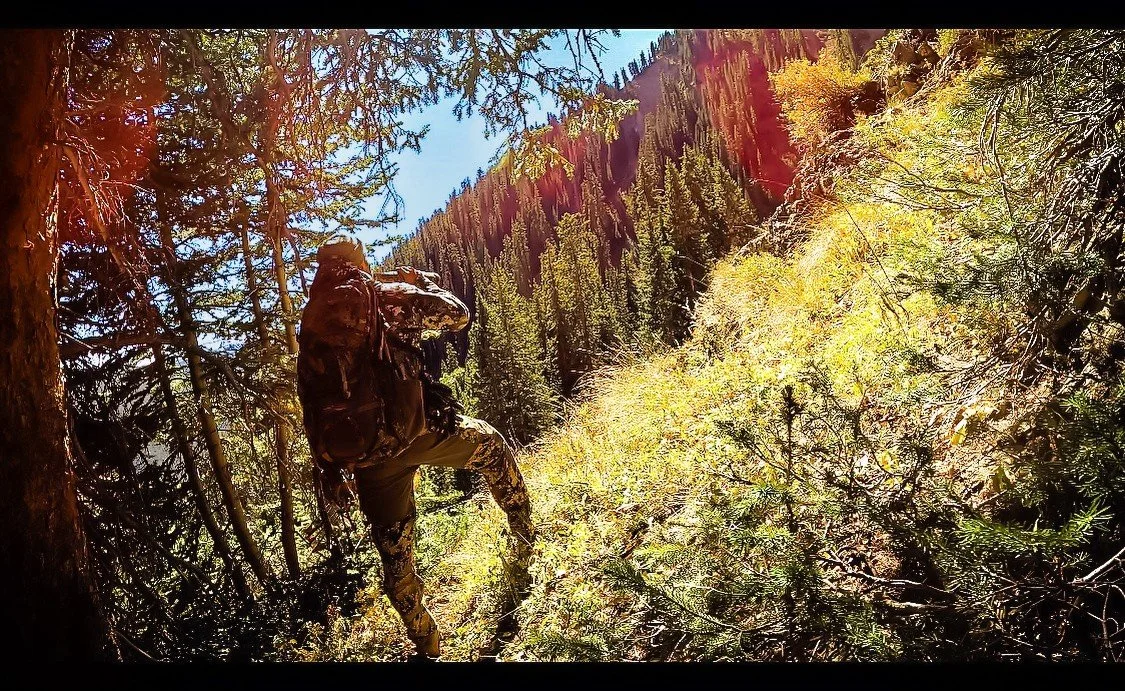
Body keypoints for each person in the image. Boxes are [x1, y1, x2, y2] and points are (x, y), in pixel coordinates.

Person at [296, 237, 534, 660]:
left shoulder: (313, 322)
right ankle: (525, 537)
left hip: (366, 459)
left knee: (395, 553)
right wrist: (423, 283)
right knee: (492, 447)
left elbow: (311, 399)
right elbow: (458, 316)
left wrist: (331, 469)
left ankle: (427, 642)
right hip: (416, 433)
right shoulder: (387, 297)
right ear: (359, 261)